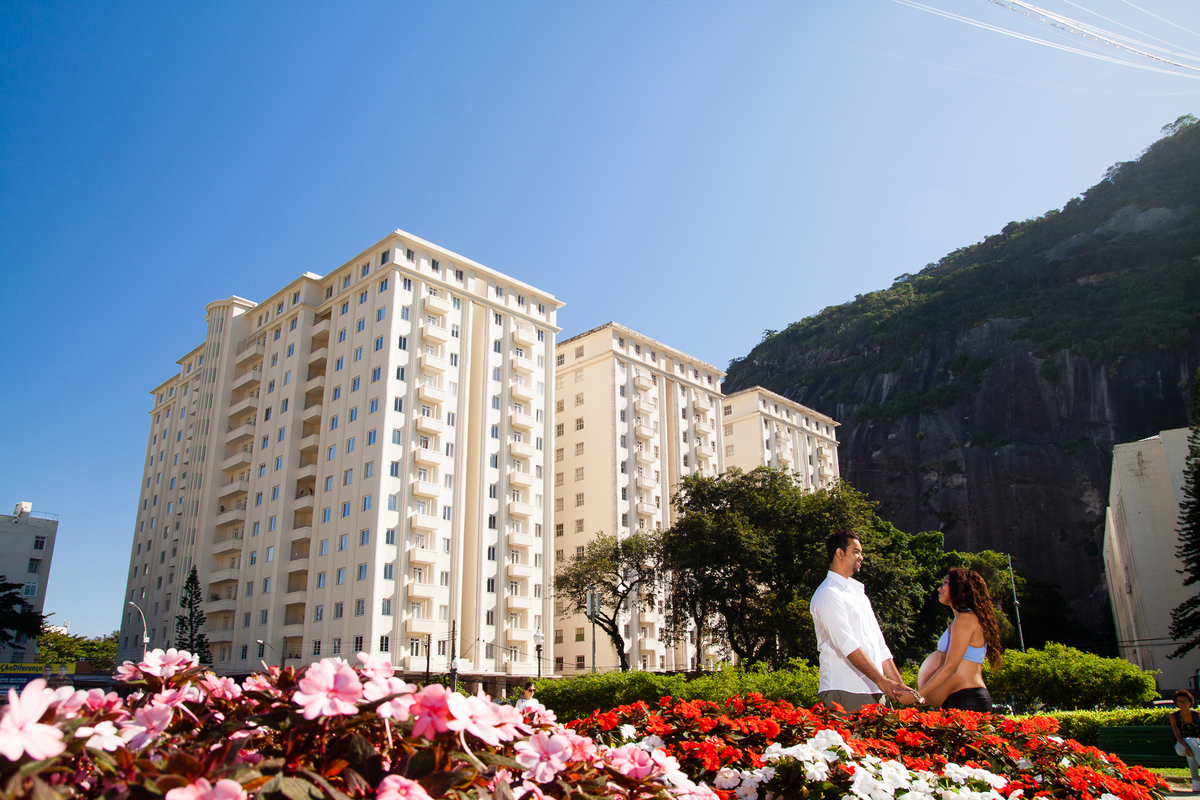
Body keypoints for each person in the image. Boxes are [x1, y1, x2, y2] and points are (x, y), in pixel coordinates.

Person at [810, 530, 908, 711]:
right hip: (845, 691)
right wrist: (881, 681)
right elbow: (847, 644)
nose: (861, 557)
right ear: (840, 553)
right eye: (856, 551)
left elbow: (880, 646)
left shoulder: (860, 595)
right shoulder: (828, 593)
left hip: (877, 692)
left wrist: (897, 686)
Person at [906, 567, 1003, 711]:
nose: (939, 588)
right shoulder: (962, 619)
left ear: (960, 587)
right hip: (961, 699)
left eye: (945, 583)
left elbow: (951, 667)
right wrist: (929, 695)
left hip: (968, 700)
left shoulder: (966, 619)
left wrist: (917, 694)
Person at [1170, 689, 1200, 792]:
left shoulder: (1197, 715)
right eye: (1180, 702)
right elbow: (1177, 734)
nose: (1183, 704)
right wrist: (1186, 745)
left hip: (1196, 746)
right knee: (1189, 742)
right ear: (1176, 703)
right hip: (1180, 746)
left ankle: (1196, 783)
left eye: (1186, 701)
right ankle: (1196, 782)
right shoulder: (1174, 716)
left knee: (1191, 749)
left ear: (1190, 702)